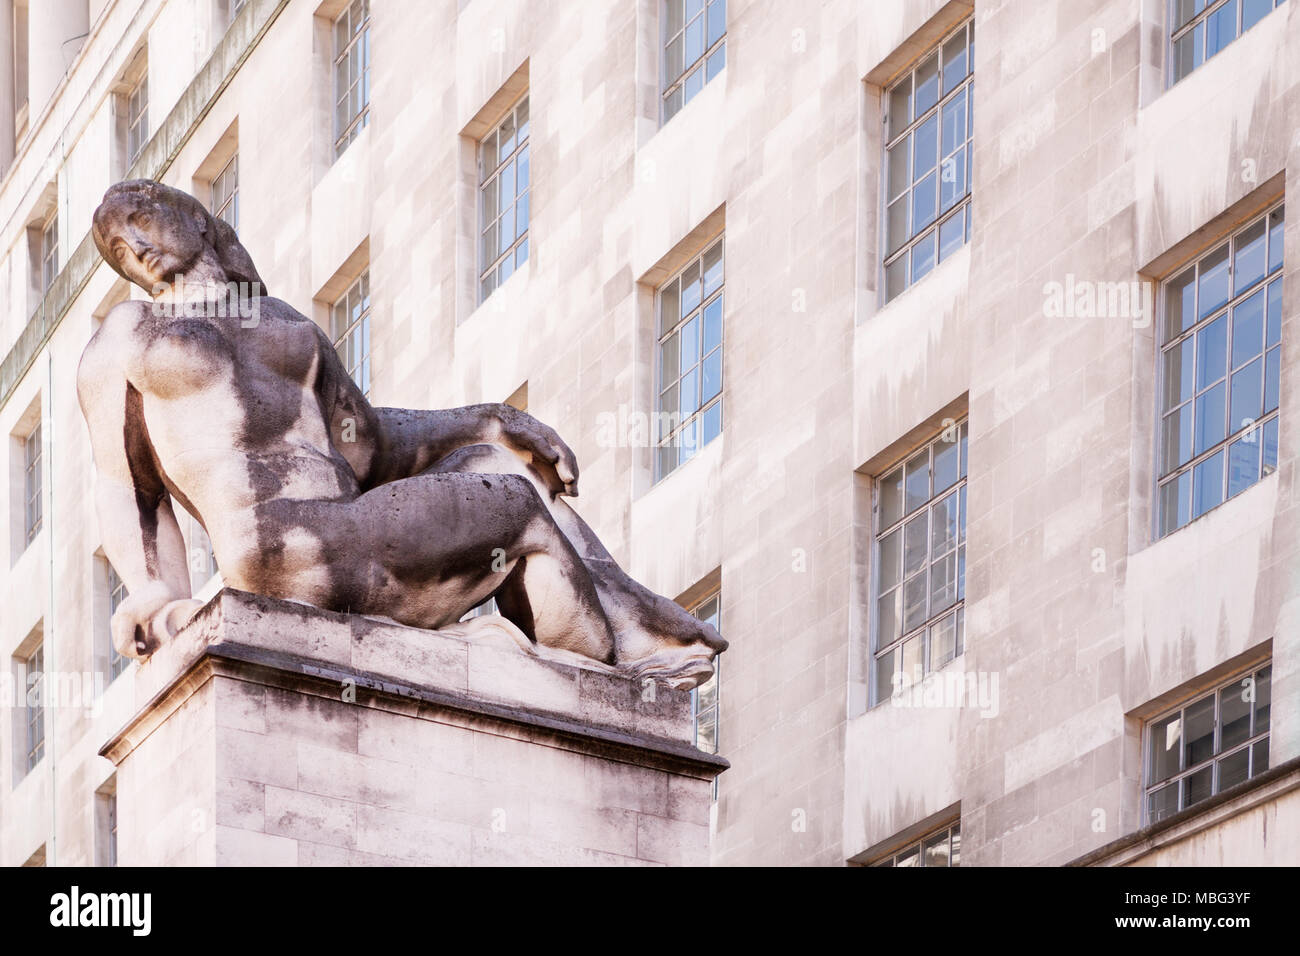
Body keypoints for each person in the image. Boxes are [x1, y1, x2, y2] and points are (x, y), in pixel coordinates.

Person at [79, 180, 724, 688]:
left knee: (492, 465)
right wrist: (156, 590)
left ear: (196, 220)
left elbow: (373, 446)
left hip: (351, 528)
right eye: (115, 248)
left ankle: (620, 633)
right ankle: (618, 666)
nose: (132, 245)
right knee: (519, 507)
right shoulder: (131, 333)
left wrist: (492, 418)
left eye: (140, 217)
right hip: (277, 549)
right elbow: (125, 486)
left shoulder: (285, 325)